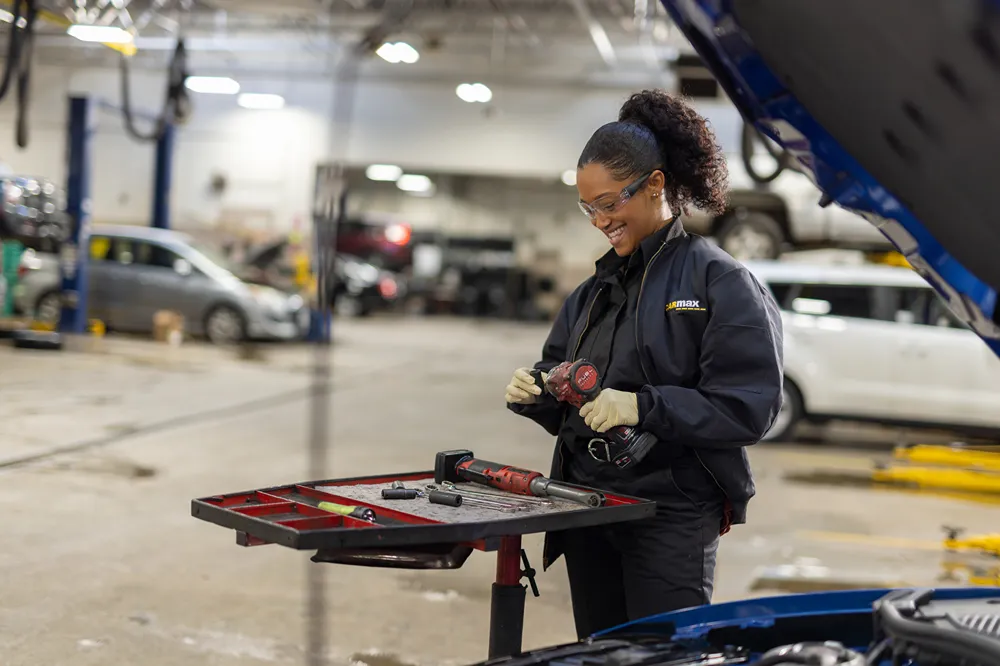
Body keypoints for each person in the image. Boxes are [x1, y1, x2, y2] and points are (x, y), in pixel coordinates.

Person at [505, 89, 784, 639]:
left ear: (656, 184)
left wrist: (643, 406)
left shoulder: (718, 281)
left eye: (610, 202)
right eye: (589, 207)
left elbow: (749, 408)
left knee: (662, 654)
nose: (600, 220)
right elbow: (565, 377)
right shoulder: (592, 293)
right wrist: (539, 389)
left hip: (670, 516)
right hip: (587, 508)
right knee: (601, 650)